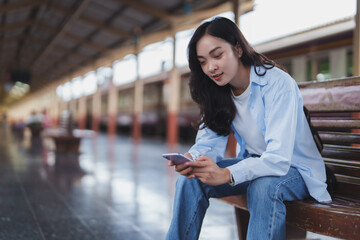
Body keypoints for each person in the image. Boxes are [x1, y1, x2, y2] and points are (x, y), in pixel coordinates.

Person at [166, 17, 331, 240]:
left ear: (238, 48)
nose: (210, 67)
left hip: (295, 170)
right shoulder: (218, 90)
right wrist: (192, 159)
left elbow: (279, 159)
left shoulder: (277, 83)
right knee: (191, 180)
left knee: (263, 187)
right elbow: (208, 142)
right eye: (202, 61)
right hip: (255, 164)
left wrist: (227, 173)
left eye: (217, 55)